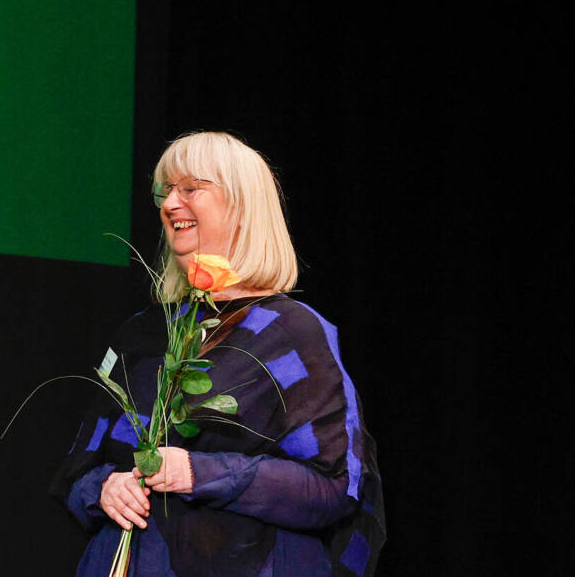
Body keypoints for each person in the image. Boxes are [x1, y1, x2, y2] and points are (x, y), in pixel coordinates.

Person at [51, 132, 385, 576]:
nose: (170, 204)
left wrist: (196, 472)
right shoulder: (141, 334)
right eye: (165, 190)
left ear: (242, 206)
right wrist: (104, 488)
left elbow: (334, 487)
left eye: (190, 188)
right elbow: (76, 471)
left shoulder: (292, 333)